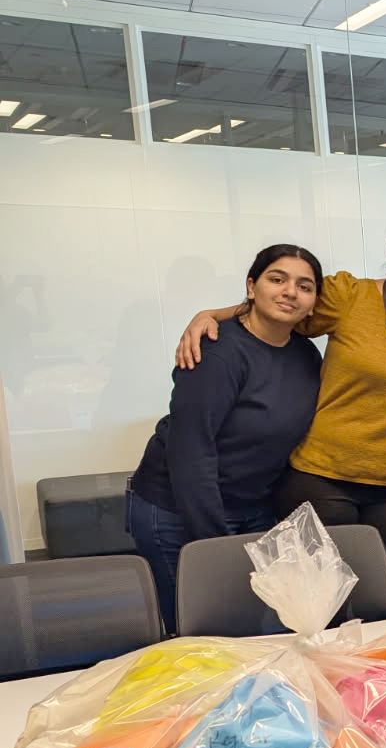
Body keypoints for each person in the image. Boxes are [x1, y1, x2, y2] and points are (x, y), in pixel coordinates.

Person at [177, 208, 386, 596]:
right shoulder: (349, 296)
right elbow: (283, 307)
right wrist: (214, 314)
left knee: (385, 598)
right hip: (323, 477)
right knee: (323, 606)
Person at [131, 245, 324, 630]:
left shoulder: (305, 355)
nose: (290, 292)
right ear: (251, 287)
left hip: (251, 506)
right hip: (177, 507)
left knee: (254, 622)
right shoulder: (217, 350)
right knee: (198, 629)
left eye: (304, 286)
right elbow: (191, 452)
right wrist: (214, 543)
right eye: (277, 279)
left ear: (314, 302)